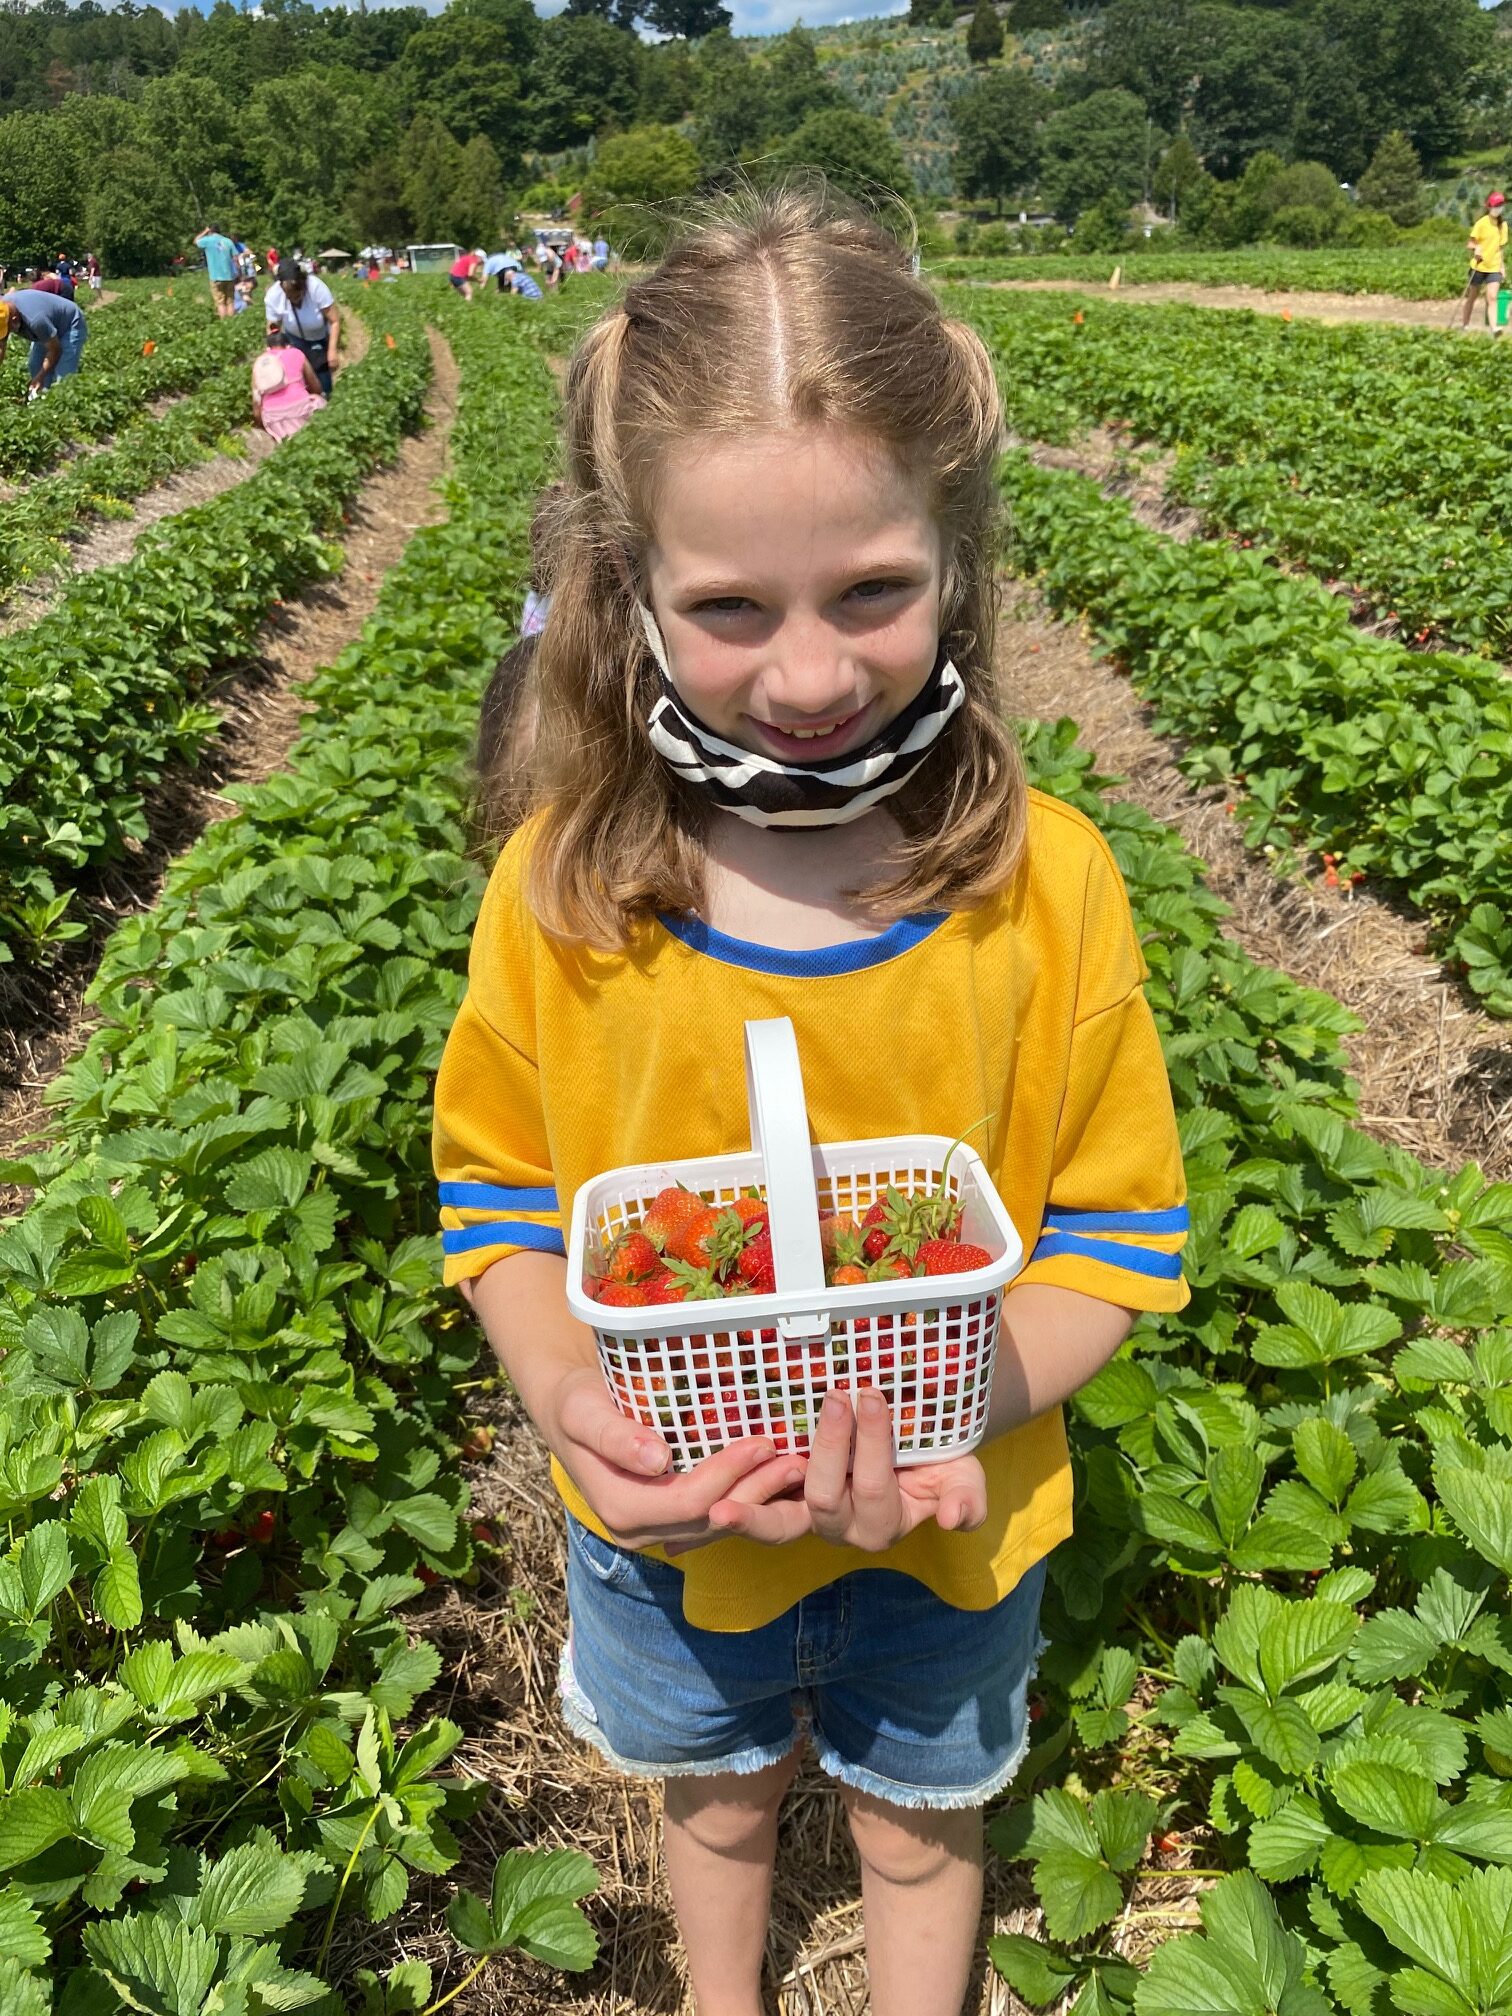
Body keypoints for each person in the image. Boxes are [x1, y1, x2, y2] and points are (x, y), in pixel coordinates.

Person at [432, 184, 1189, 2016]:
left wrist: (960, 1399)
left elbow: (1112, 1227)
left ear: (957, 558)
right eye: (725, 606)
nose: (807, 674)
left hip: (952, 1511)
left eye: (873, 592)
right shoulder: (566, 891)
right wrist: (565, 1389)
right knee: (715, 1794)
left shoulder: (1042, 884)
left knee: (927, 1818)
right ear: (625, 591)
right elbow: (502, 1197)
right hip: (666, 1512)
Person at [264, 256, 341, 396]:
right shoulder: (274, 295)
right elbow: (273, 327)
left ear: (303, 283)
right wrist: (272, 351)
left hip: (319, 337)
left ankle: (325, 401)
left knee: (323, 379)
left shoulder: (316, 287)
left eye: (297, 295)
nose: (294, 299)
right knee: (298, 379)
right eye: (290, 296)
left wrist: (332, 351)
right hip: (293, 338)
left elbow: (334, 321)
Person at [0, 285, 88, 394]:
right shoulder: (2, 309)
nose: (8, 333)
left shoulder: (36, 320)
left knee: (63, 377)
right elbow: (1, 344)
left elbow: (55, 350)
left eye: (8, 330)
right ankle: (43, 396)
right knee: (35, 365)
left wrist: (40, 377)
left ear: (14, 319)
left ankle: (60, 401)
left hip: (69, 324)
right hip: (47, 327)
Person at [251, 321, 326, 441]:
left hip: (272, 417)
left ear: (268, 348)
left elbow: (256, 402)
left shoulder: (260, 361)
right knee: (320, 403)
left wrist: (261, 422)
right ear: (288, 345)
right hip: (301, 410)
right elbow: (315, 386)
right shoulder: (296, 353)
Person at [1462, 190, 1508, 332]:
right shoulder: (1481, 223)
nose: (1497, 208)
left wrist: (1502, 267)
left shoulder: (1503, 226)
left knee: (1492, 297)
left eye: (1500, 205)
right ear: (1489, 207)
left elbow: (1500, 249)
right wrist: (1476, 248)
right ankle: (1465, 324)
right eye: (1495, 205)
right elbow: (1470, 243)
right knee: (1472, 297)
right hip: (1479, 266)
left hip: (1494, 267)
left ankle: (1495, 329)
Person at [195, 225, 240, 319]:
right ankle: (231, 323)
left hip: (215, 277)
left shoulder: (208, 240)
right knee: (230, 301)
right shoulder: (228, 241)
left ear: (210, 231)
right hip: (229, 276)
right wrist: (238, 272)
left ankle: (224, 323)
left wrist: (204, 231)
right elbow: (236, 258)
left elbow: (196, 241)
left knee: (220, 302)